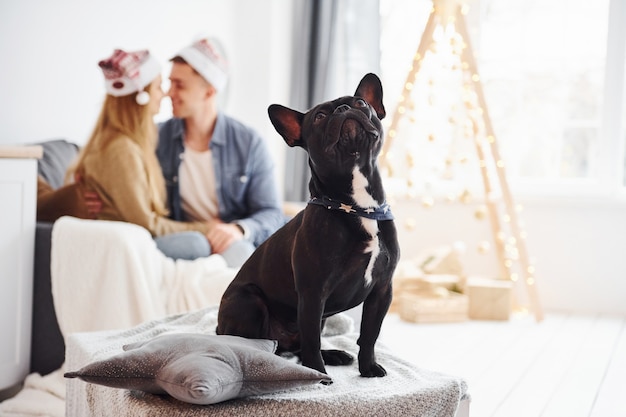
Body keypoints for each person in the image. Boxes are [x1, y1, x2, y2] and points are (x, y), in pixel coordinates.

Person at [66, 48, 215, 261]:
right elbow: (146, 224)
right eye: (158, 87)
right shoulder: (122, 150)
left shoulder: (125, 143)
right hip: (124, 247)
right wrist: (206, 228)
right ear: (140, 96)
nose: (164, 94)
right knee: (195, 244)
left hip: (129, 239)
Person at [156, 38, 285, 266]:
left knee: (240, 252)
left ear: (209, 91)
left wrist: (238, 229)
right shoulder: (157, 138)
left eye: (179, 85)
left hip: (229, 242)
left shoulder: (249, 143)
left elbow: (271, 213)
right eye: (169, 83)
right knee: (194, 244)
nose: (169, 93)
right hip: (185, 239)